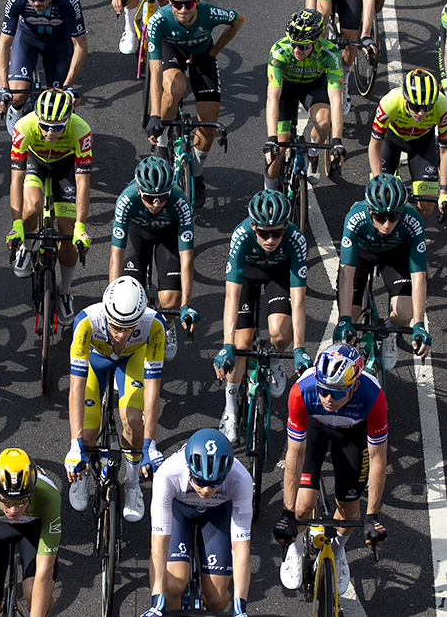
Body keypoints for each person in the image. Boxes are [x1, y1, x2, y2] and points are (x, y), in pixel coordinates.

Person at [274, 344, 388, 595]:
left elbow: (379, 458)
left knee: (349, 510)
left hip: (352, 433)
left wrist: (373, 517)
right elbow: (294, 454)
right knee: (302, 507)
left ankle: (337, 552)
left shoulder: (373, 396)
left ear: (354, 386)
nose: (327, 398)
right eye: (323, 390)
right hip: (316, 427)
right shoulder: (301, 391)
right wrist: (287, 513)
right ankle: (296, 550)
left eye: (336, 393)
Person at [64, 276, 166, 523]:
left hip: (132, 360)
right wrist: (75, 445)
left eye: (129, 327)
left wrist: (150, 443)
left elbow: (153, 389)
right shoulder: (86, 322)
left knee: (132, 420)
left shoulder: (154, 325)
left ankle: (132, 484)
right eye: (115, 327)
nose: (121, 335)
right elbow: (76, 387)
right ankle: (85, 471)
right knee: (87, 431)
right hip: (95, 360)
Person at [213, 190, 310, 444]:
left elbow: (299, 300)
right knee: (242, 344)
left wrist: (299, 348)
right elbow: (231, 297)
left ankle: (275, 356)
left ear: (286, 227)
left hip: (279, 272)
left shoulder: (296, 240)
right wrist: (226, 345)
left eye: (277, 233)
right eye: (264, 233)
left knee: (279, 332)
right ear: (253, 226)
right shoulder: (241, 235)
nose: (270, 239)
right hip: (248, 273)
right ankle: (231, 409)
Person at [145, 0, 244, 208]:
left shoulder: (210, 12)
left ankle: (197, 175)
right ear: (169, 1)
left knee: (209, 123)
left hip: (201, 54)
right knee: (175, 86)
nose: (182, 9)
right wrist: (155, 115)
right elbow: (155, 73)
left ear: (197, 1)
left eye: (188, 4)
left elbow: (238, 19)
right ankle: (160, 147)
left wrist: (213, 53)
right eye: (176, 3)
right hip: (171, 52)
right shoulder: (158, 20)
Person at [140, 429, 252, 617]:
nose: (207, 490)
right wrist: (156, 603)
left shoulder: (241, 479)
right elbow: (159, 544)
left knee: (216, 600)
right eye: (199, 481)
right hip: (179, 511)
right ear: (189, 468)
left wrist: (240, 609)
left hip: (217, 514)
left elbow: (241, 548)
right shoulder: (168, 473)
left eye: (216, 483)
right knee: (173, 587)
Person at [5, 88, 92, 325]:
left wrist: (81, 227)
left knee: (68, 230)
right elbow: (16, 179)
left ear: (69, 119)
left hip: (65, 168)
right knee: (32, 208)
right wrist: (16, 226)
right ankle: (27, 247)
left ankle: (65, 290)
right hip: (36, 164)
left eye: (57, 127)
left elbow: (83, 183)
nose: (50, 132)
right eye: (44, 126)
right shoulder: (23, 127)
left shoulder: (81, 130)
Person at [334, 173, 431, 371]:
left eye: (394, 216)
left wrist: (419, 323)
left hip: (395, 254)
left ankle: (386, 330)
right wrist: (344, 320)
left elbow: (419, 275)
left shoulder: (413, 220)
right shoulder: (355, 217)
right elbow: (346, 274)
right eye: (379, 217)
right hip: (362, 253)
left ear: (401, 211)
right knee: (348, 321)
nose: (386, 225)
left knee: (405, 314)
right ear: (370, 210)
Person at [108, 156, 197, 362]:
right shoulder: (126, 198)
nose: (156, 203)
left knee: (170, 300)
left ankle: (167, 324)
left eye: (163, 197)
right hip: (137, 233)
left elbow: (187, 259)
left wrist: (186, 305)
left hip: (168, 234)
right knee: (128, 294)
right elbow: (116, 254)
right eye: (149, 198)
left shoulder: (180, 201)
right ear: (139, 192)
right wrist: (112, 301)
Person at [0, 448, 60, 617]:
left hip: (32, 529)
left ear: (31, 492)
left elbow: (45, 569)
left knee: (35, 596)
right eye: (6, 501)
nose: (13, 510)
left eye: (21, 501)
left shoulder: (49, 495)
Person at [0, 0, 87, 135]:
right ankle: (16, 116)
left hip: (58, 42)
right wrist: (3, 87)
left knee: (59, 101)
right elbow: (4, 44)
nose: (36, 2)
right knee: (18, 95)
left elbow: (81, 45)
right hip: (27, 39)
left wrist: (68, 85)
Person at [264, 9, 345, 188]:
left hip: (313, 86)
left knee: (324, 122)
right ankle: (269, 195)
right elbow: (272, 97)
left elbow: (336, 99)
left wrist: (337, 140)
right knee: (279, 148)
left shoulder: (330, 53)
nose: (296, 50)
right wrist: (271, 138)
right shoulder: (279, 51)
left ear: (316, 42)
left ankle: (313, 153)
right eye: (293, 44)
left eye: (303, 46)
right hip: (286, 88)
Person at [367, 68, 447, 218]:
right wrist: (378, 180)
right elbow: (375, 145)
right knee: (379, 197)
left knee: (427, 208)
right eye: (416, 106)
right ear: (405, 99)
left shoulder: (443, 105)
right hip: (392, 141)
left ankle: (399, 219)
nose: (421, 113)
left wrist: (444, 192)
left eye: (427, 107)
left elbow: (445, 151)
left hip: (422, 143)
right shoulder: (389, 102)